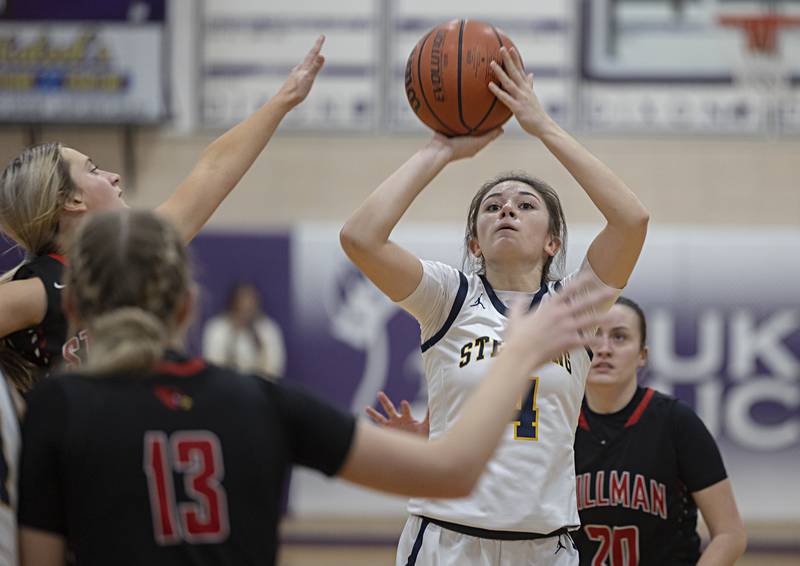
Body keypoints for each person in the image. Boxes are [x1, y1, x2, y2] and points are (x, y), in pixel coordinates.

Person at [16, 208, 613, 566]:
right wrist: (522, 355)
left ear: (73, 308)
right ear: (189, 308)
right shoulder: (257, 402)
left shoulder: (52, 408)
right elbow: (453, 473)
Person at [340, 45, 649, 565]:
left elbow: (631, 221)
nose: (507, 207)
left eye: (526, 205)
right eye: (492, 206)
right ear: (476, 242)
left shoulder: (574, 306)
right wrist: (439, 151)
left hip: (545, 546)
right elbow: (361, 238)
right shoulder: (449, 298)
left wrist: (540, 124)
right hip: (449, 538)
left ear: (553, 241)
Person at [0, 36, 326, 392]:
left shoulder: (133, 254)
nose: (114, 176)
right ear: (72, 200)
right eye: (93, 170)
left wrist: (284, 99)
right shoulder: (38, 290)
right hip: (74, 445)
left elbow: (213, 169)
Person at [573, 296, 747, 565]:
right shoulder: (560, 422)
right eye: (595, 336)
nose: (604, 348)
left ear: (642, 356)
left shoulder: (677, 422)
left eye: (619, 337)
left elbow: (730, 534)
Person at [202, 283, 286, 377]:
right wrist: (233, 336)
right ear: (232, 303)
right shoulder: (217, 328)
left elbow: (274, 369)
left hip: (260, 386)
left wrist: (259, 345)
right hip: (226, 385)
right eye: (241, 302)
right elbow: (213, 365)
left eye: (250, 302)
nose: (246, 307)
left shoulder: (267, 328)